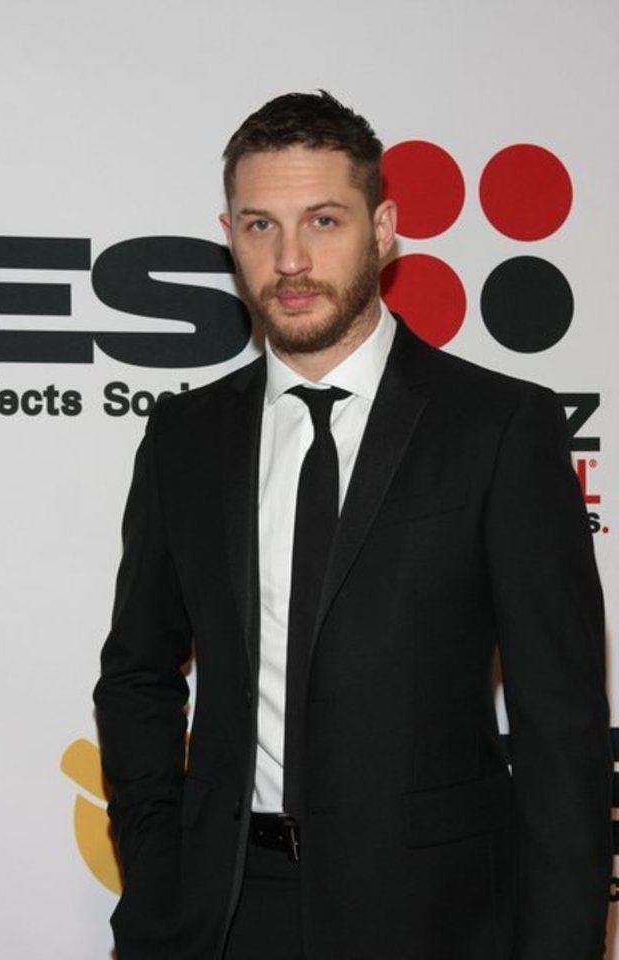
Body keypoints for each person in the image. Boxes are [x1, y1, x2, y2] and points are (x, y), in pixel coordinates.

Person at [94, 91, 613, 960]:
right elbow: (138, 673)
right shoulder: (185, 437)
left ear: (383, 230)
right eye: (260, 226)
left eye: (323, 221)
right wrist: (157, 874)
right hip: (224, 914)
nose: (290, 260)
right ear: (228, 236)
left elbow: (560, 724)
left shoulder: (498, 428)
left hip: (435, 919)